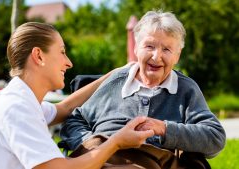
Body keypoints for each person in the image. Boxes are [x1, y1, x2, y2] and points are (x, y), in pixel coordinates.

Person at [0, 22, 154, 169]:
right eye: (62, 52)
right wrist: (117, 142)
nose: (69, 62)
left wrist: (114, 75)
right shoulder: (16, 108)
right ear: (38, 56)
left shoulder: (16, 99)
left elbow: (64, 108)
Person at [60, 10, 226, 168]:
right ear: (136, 48)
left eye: (167, 49)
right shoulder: (115, 82)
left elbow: (215, 137)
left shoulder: (186, 90)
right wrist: (94, 145)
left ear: (178, 55)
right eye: (149, 46)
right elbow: (75, 120)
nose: (156, 56)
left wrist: (164, 129)